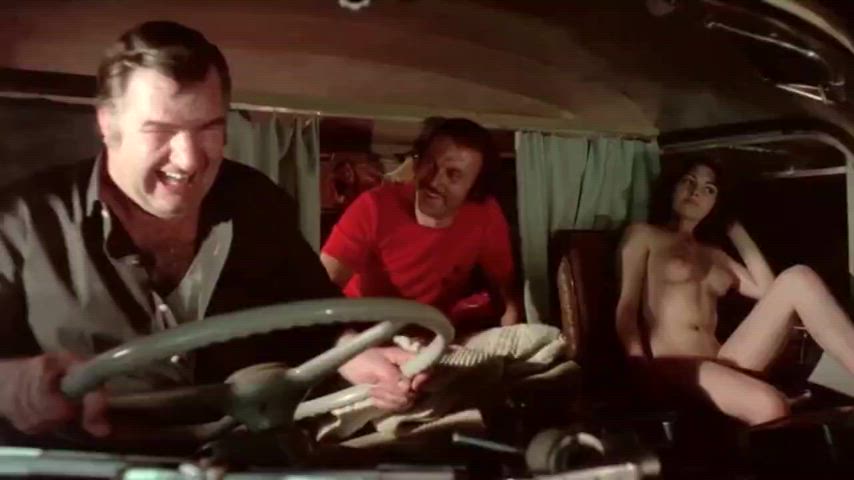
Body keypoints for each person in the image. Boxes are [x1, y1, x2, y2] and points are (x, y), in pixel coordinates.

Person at [0, 21, 420, 441]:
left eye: (209, 130)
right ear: (107, 124)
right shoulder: (22, 222)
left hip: (246, 452)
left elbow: (314, 314)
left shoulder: (257, 202)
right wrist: (11, 383)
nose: (188, 160)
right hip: (93, 460)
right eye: (161, 131)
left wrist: (352, 352)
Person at [616, 158, 854, 426]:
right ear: (673, 186)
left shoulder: (714, 255)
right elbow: (626, 308)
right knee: (769, 405)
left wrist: (734, 227)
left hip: (723, 359)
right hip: (674, 363)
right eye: (689, 181)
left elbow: (768, 290)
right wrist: (639, 365)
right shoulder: (644, 235)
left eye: (709, 189)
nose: (696, 192)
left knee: (798, 278)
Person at [320, 118, 522, 332]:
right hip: (363, 331)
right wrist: (345, 340)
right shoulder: (373, 207)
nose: (434, 181)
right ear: (417, 163)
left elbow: (506, 286)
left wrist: (511, 328)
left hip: (432, 333)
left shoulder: (486, 214)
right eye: (430, 164)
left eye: (453, 175)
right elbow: (320, 288)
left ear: (473, 189)